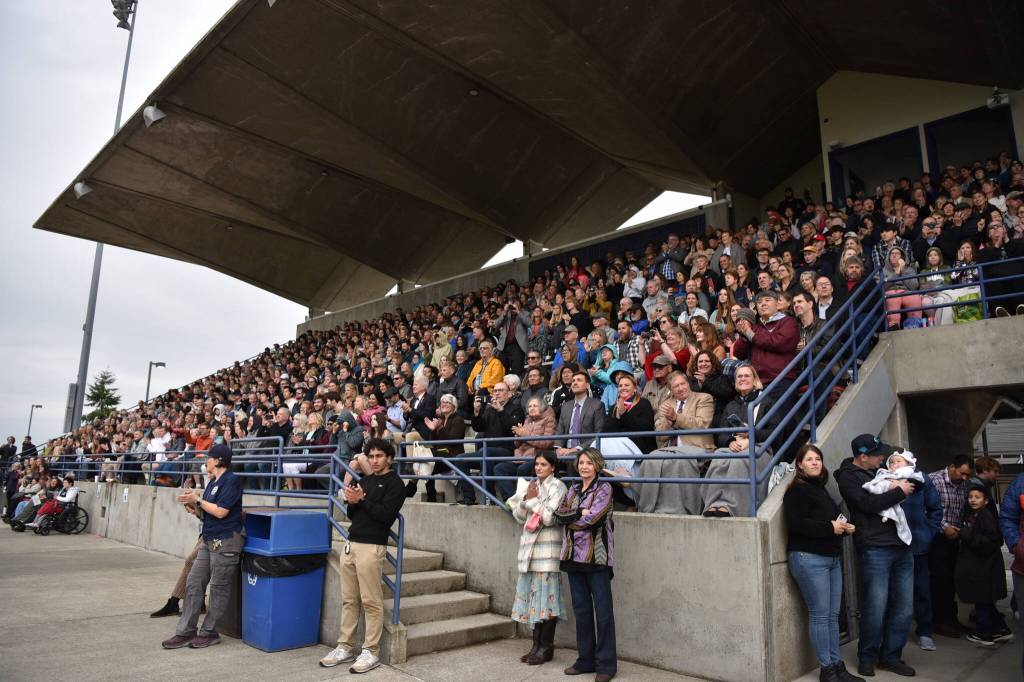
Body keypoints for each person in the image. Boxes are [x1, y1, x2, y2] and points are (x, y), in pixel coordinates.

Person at [319, 438, 406, 673]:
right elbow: (352, 513)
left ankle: (371, 650)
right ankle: (345, 646)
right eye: (371, 456)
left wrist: (362, 500)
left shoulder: (395, 484)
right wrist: (352, 500)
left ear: (389, 457)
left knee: (371, 601)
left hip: (372, 546)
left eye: (379, 456)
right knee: (349, 599)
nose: (374, 460)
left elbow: (386, 516)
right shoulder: (365, 480)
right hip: (351, 543)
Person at [835, 434, 916, 678]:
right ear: (862, 456)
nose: (884, 458)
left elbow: (912, 482)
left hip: (902, 545)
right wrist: (899, 491)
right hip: (875, 548)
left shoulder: (881, 470)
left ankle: (891, 656)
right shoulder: (848, 477)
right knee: (875, 606)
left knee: (903, 607)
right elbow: (866, 504)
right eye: (878, 454)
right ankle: (867, 657)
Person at [784, 445, 861, 682]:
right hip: (809, 558)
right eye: (809, 459)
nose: (815, 462)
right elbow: (797, 524)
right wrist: (831, 528)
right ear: (799, 464)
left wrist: (844, 527)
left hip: (830, 558)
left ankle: (837, 666)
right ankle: (826, 669)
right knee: (820, 615)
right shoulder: (797, 491)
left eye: (818, 459)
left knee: (831, 616)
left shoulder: (821, 489)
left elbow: (832, 519)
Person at [161, 444, 244, 651]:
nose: (205, 461)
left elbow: (222, 512)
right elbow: (208, 512)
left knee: (218, 588)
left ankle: (209, 632)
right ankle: (185, 631)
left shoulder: (232, 480)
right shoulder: (212, 482)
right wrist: (194, 507)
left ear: (218, 460)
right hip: (209, 539)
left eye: (209, 458)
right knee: (194, 582)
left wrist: (197, 499)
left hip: (226, 541)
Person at [559, 448, 616, 682]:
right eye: (581, 462)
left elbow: (594, 520)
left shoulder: (604, 488)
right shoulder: (572, 489)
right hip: (573, 558)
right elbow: (558, 515)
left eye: (589, 463)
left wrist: (573, 516)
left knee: (603, 614)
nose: (584, 467)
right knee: (581, 612)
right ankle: (585, 660)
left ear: (597, 465)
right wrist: (578, 512)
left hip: (596, 558)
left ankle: (606, 666)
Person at [509, 451, 568, 665]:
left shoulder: (559, 487)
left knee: (548, 603)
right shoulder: (531, 485)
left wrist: (533, 501)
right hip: (530, 553)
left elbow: (550, 518)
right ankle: (535, 646)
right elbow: (517, 517)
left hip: (547, 552)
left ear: (553, 467)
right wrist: (524, 501)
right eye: (536, 464)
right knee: (534, 603)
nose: (539, 468)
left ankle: (546, 647)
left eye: (543, 464)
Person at [701, 364, 780, 518]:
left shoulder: (766, 402)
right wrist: (730, 441)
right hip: (734, 446)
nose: (743, 379)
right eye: (739, 376)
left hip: (759, 448)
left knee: (739, 461)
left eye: (747, 376)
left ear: (755, 380)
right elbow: (721, 434)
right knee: (719, 458)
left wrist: (751, 435)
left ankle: (731, 508)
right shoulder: (731, 405)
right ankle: (714, 504)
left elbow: (775, 432)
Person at [898, 451, 943, 652]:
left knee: (921, 590)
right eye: (892, 461)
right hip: (893, 545)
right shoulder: (884, 478)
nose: (895, 464)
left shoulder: (922, 479)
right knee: (894, 591)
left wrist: (929, 532)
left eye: (899, 460)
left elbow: (935, 508)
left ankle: (925, 631)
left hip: (917, 545)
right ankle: (895, 631)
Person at [956, 481, 1010, 646]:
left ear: (986, 501)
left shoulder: (985, 516)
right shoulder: (975, 515)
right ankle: (1001, 630)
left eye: (977, 497)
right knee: (984, 601)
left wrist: (965, 533)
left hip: (985, 568)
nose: (973, 500)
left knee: (982, 601)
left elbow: (989, 542)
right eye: (971, 497)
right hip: (982, 567)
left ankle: (984, 634)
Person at [928, 454, 972, 639]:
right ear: (952, 467)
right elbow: (927, 510)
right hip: (937, 537)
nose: (964, 478)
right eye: (962, 473)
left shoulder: (963, 485)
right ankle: (939, 621)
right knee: (940, 580)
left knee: (952, 580)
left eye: (967, 475)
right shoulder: (934, 481)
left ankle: (951, 619)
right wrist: (945, 527)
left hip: (955, 537)